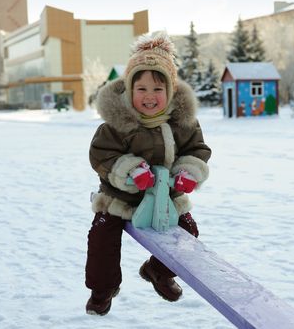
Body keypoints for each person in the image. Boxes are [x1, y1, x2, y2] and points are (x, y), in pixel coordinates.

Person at [85, 32, 211, 315]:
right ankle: (103, 288)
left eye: (158, 89)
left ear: (171, 91)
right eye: (141, 89)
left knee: (188, 233)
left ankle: (158, 270)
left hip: (166, 197)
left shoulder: (184, 124)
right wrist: (130, 171)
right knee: (102, 236)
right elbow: (102, 154)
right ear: (129, 90)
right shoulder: (117, 125)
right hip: (120, 198)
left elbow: (197, 150)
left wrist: (188, 172)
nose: (150, 96)